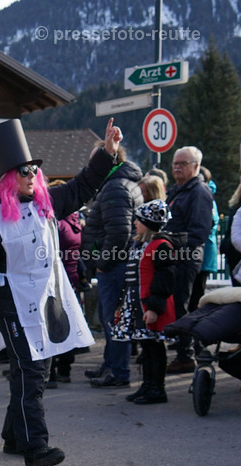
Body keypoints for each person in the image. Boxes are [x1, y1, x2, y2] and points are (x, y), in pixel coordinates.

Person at [0, 118, 121, 466]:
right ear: (9, 176)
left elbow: (84, 186)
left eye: (35, 168)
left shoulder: (46, 202)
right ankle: (35, 448)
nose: (32, 174)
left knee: (36, 369)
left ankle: (12, 436)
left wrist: (106, 153)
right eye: (24, 170)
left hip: (47, 304)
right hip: (11, 307)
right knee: (31, 373)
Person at [80, 141, 143, 388]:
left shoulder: (115, 187)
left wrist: (102, 263)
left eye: (96, 160)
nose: (91, 166)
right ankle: (110, 366)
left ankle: (117, 371)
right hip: (117, 265)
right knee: (113, 319)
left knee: (115, 320)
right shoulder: (119, 184)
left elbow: (118, 233)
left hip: (115, 267)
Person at [112, 200, 176, 404]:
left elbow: (164, 279)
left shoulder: (161, 246)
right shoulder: (142, 244)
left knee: (154, 348)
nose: (134, 223)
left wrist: (155, 307)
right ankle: (147, 386)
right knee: (146, 348)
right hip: (139, 305)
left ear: (149, 222)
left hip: (150, 305)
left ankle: (157, 388)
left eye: (138, 219)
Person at [163, 146, 215, 373]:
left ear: (195, 166)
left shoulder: (199, 192)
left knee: (184, 308)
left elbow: (199, 232)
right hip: (174, 258)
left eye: (182, 164)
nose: (177, 167)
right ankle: (186, 352)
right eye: (175, 163)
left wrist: (176, 251)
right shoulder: (179, 190)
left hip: (186, 259)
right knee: (179, 307)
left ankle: (186, 356)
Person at [47, 179, 84, 386]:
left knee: (53, 326)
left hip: (57, 281)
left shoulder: (58, 224)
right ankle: (64, 369)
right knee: (67, 324)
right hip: (72, 279)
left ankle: (50, 372)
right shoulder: (75, 222)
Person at [188, 167, 220, 310]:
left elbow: (209, 224)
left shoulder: (204, 196)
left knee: (197, 293)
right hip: (201, 249)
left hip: (203, 250)